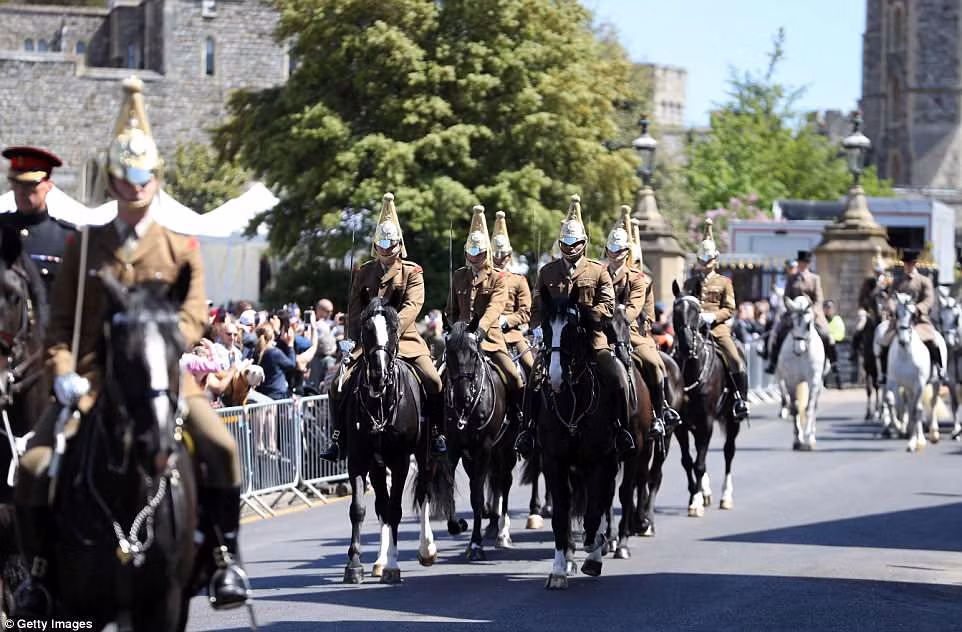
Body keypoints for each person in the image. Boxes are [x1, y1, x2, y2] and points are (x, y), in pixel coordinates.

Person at [13, 77, 250, 616]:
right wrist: (65, 371)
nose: (136, 185)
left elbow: (194, 314)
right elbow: (59, 327)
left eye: (145, 175)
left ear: (156, 179)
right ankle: (40, 575)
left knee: (222, 447)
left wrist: (162, 340)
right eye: (127, 175)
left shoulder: (181, 246)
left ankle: (223, 556)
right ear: (114, 180)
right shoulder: (85, 243)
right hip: (95, 378)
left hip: (164, 374)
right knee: (34, 463)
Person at [320, 193, 446, 461]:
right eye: (381, 243)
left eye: (391, 244)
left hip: (404, 338)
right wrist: (349, 340)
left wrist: (391, 330)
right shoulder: (363, 272)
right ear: (375, 245)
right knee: (338, 385)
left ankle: (436, 433)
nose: (386, 249)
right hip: (367, 342)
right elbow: (354, 310)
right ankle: (339, 438)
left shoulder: (412, 272)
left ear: (399, 245)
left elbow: (413, 306)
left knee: (434, 380)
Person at [515, 194, 634, 459]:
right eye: (566, 244)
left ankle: (621, 429)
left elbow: (608, 305)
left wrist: (585, 316)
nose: (570, 249)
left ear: (584, 243)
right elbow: (536, 306)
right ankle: (528, 431)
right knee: (533, 377)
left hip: (592, 341)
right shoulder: (547, 272)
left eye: (575, 244)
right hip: (556, 341)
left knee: (617, 376)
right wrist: (536, 327)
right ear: (560, 244)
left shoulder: (598, 271)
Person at [604, 205, 680, 436]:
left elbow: (637, 309)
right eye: (612, 250)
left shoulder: (638, 279)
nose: (615, 255)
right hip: (602, 333)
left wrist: (619, 316)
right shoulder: (599, 274)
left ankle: (659, 412)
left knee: (655, 363)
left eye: (620, 251)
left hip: (633, 334)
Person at [447, 205, 524, 423]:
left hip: (489, 339)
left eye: (479, 253)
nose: (474, 258)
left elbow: (495, 308)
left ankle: (519, 419)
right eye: (471, 253)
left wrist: (480, 330)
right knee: (438, 376)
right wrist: (453, 330)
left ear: (486, 253)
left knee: (515, 377)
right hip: (461, 342)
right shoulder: (458, 276)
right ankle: (436, 431)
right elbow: (451, 310)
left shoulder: (498, 278)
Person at [683, 218, 750, 421]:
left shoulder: (724, 282)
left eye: (708, 261)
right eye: (702, 261)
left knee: (735, 359)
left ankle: (740, 399)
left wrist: (712, 316)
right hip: (693, 328)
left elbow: (730, 308)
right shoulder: (690, 281)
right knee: (675, 353)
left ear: (715, 260)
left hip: (717, 329)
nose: (705, 265)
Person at [0, 146, 77, 321]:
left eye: (30, 185)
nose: (21, 192)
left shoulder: (67, 239)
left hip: (46, 338)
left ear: (48, 186)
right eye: (16, 183)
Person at [877, 249, 944, 383]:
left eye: (910, 264)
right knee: (884, 342)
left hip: (919, 320)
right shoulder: (897, 281)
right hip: (900, 320)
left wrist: (917, 309)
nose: (908, 266)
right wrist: (892, 306)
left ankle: (938, 368)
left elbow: (929, 300)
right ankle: (884, 373)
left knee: (932, 340)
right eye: (906, 264)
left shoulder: (924, 281)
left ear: (915, 264)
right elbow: (890, 297)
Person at [767, 250, 832, 374]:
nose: (803, 265)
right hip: (794, 313)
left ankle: (830, 362)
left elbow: (819, 299)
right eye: (801, 263)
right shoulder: (791, 278)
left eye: (805, 263)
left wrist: (813, 311)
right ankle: (773, 362)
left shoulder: (815, 278)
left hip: (811, 313)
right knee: (778, 333)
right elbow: (786, 297)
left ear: (808, 264)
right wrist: (791, 308)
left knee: (826, 335)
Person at [491, 210, 534, 378]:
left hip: (511, 335)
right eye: (496, 254)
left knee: (532, 369)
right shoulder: (481, 279)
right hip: (484, 332)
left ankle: (533, 403)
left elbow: (526, 311)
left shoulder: (518, 280)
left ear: (509, 256)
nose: (499, 258)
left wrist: (507, 320)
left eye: (503, 255)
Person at [824, 300, 845, 388]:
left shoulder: (837, 319)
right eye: (827, 307)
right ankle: (824, 384)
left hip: (834, 345)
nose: (829, 310)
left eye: (830, 307)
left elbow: (841, 333)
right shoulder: (821, 320)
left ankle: (839, 384)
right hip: (823, 345)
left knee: (835, 364)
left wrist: (833, 337)